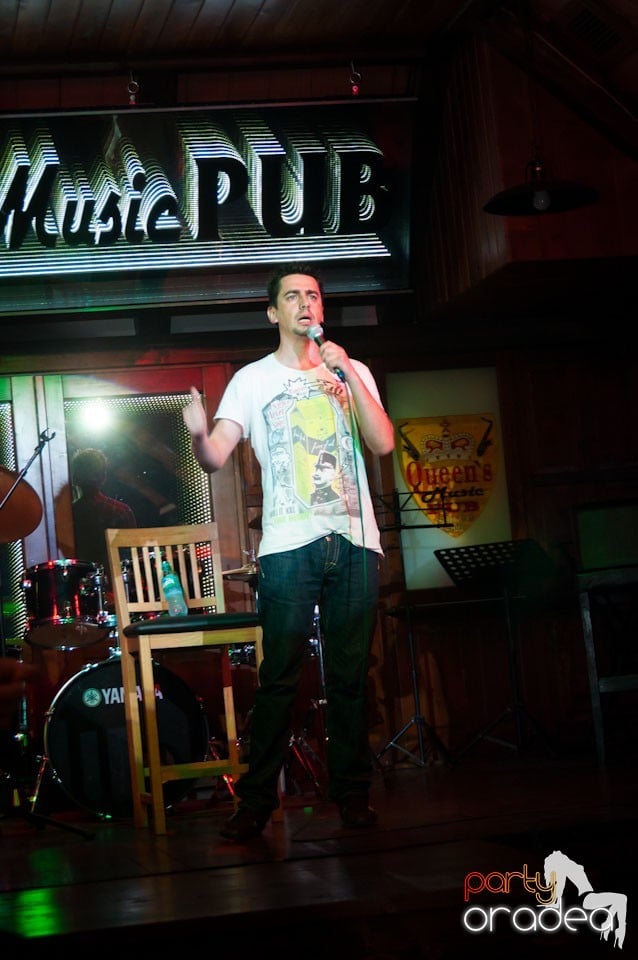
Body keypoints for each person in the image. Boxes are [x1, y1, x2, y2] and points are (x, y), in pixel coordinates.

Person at [182, 262, 395, 842]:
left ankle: (352, 796)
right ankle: (255, 804)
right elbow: (214, 457)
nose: (306, 303)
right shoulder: (252, 380)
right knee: (279, 677)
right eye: (294, 296)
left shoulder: (350, 370)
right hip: (288, 546)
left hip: (354, 541)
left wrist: (346, 372)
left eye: (314, 295)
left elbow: (382, 443)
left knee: (350, 677)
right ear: (273, 312)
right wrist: (198, 432)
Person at [70, 447, 137, 574]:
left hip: (78, 581)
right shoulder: (121, 511)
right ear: (103, 477)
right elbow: (131, 557)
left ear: (74, 478)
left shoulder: (67, 516)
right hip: (117, 581)